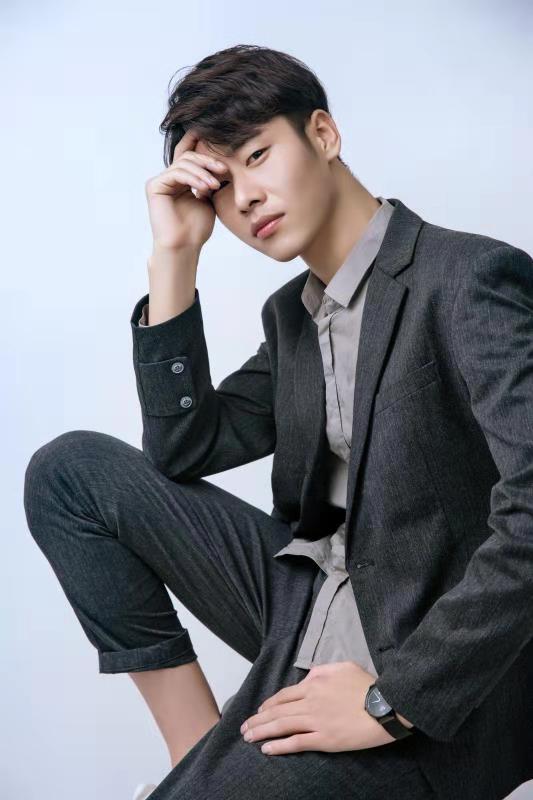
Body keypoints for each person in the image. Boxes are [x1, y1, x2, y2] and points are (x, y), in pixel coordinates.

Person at [23, 44, 533, 800]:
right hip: (308, 604)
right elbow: (183, 449)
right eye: (223, 185)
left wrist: (391, 701)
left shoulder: (465, 278)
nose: (248, 198)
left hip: (431, 668)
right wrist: (175, 256)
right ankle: (197, 753)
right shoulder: (294, 317)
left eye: (259, 155)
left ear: (322, 134)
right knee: (70, 473)